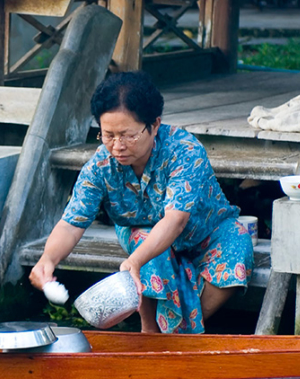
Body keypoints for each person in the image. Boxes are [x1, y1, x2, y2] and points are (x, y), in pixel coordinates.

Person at [29, 72, 254, 333]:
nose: (117, 146)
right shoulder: (100, 166)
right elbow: (71, 223)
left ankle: (177, 333)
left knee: (238, 243)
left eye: (128, 135)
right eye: (108, 135)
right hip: (141, 232)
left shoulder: (185, 151)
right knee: (146, 247)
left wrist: (133, 262)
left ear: (154, 125)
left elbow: (175, 219)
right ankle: (150, 331)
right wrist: (48, 259)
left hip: (206, 230)